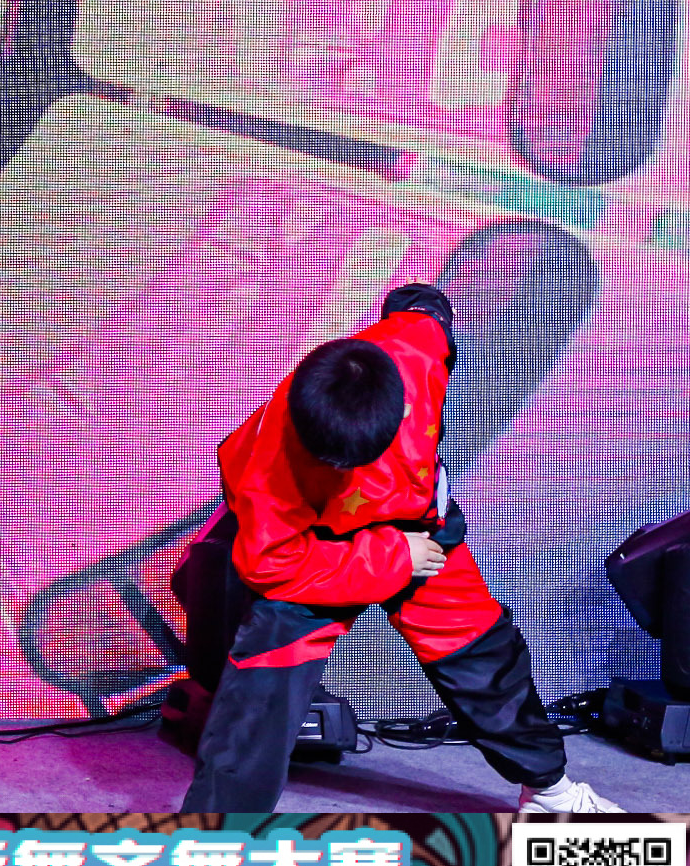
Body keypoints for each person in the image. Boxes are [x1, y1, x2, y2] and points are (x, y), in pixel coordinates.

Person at [181, 283, 620, 813]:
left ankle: (548, 791)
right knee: (263, 686)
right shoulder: (267, 474)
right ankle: (220, 833)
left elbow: (420, 306)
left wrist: (411, 548)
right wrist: (395, 556)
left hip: (420, 526)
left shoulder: (416, 348)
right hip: (318, 549)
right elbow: (271, 565)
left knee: (482, 651)